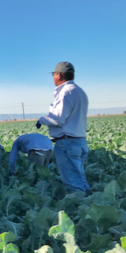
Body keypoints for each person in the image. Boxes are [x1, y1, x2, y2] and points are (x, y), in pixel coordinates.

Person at [37, 62, 90, 193]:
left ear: (58, 75)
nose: (53, 78)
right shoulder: (80, 91)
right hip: (80, 140)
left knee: (72, 182)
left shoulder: (65, 92)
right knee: (79, 177)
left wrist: (41, 119)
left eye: (54, 75)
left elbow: (58, 119)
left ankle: (80, 209)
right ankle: (89, 202)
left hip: (67, 143)